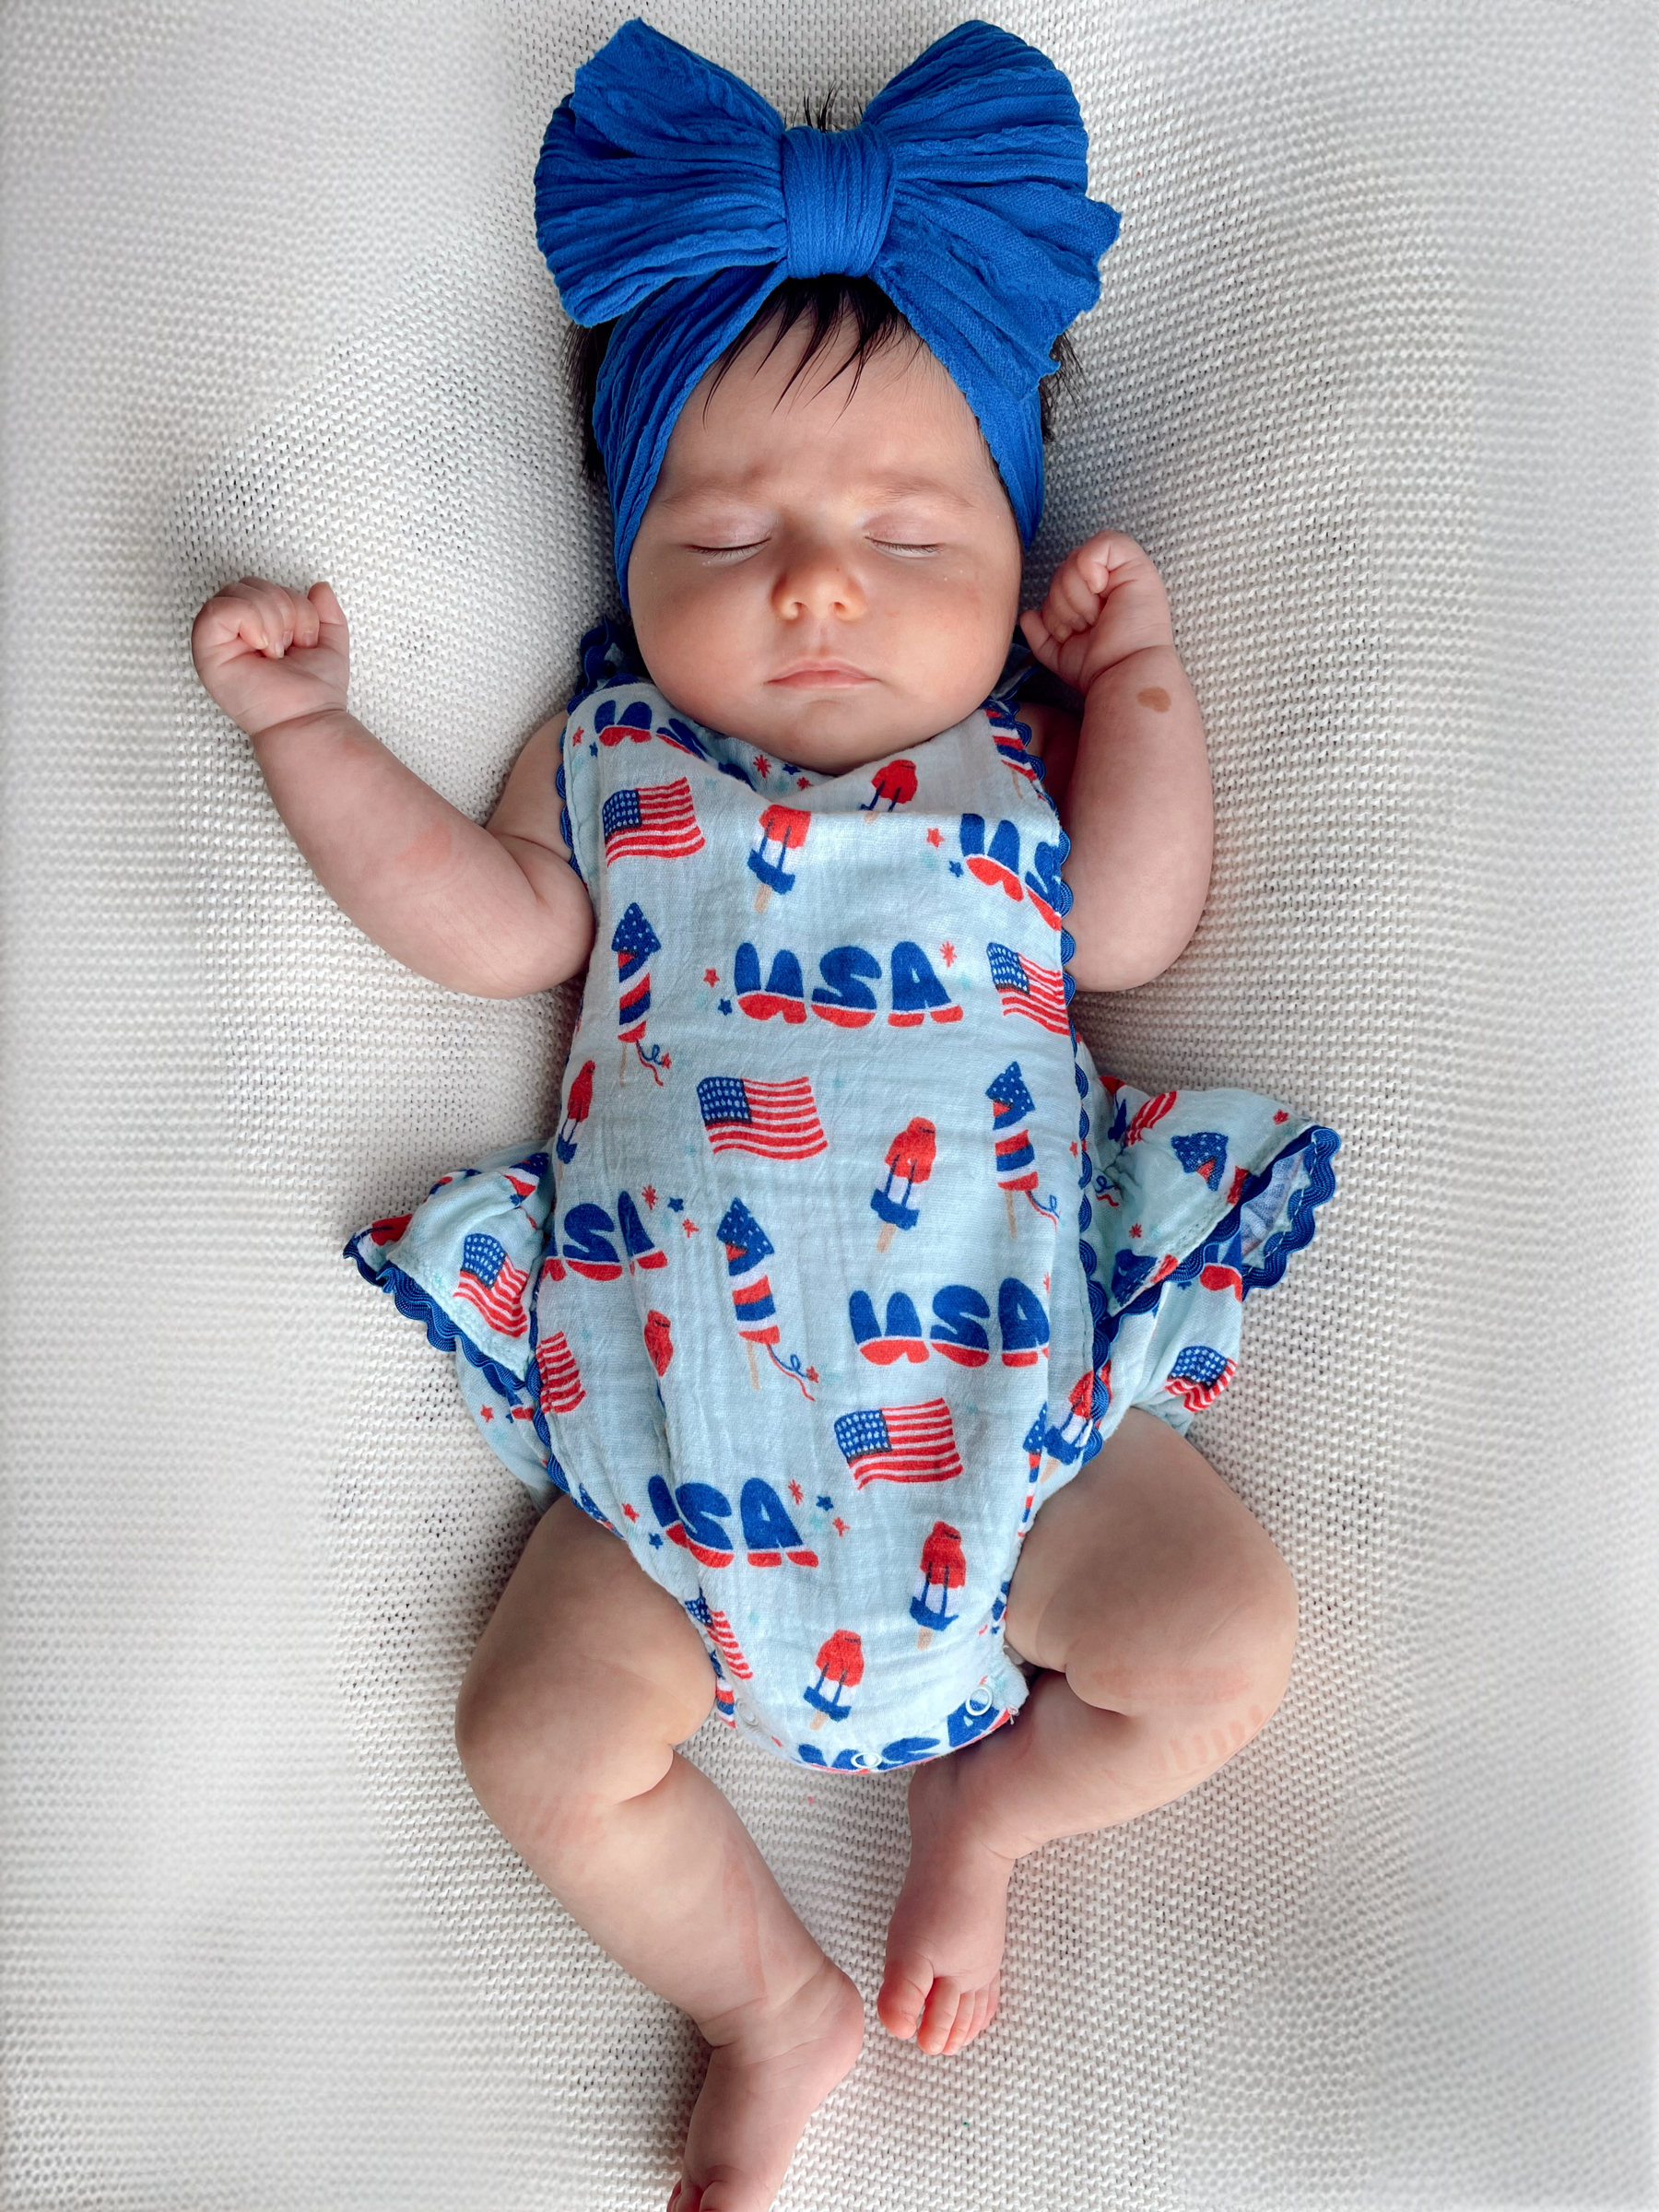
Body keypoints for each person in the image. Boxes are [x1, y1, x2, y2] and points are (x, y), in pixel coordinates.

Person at [190, 21, 1340, 2212]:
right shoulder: (612, 772)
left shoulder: (1016, 775)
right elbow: (478, 929)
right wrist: (313, 738)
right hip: (667, 1470)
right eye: (727, 529)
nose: (818, 580)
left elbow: (1135, 920)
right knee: (535, 1738)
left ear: (1016, 554)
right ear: (631, 560)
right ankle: (763, 2000)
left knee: (1223, 1639)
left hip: (1024, 1431)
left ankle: (989, 1813)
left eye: (913, 527)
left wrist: (1144, 691)